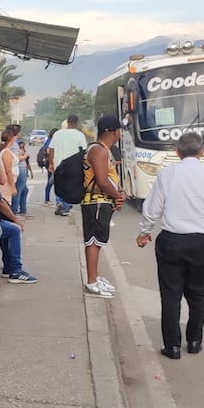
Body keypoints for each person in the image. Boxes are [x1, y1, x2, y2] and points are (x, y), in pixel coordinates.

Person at [135, 132, 204, 359]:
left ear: (177, 152)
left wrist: (144, 233)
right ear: (203, 151)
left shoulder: (167, 174)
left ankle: (172, 346)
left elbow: (152, 208)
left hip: (172, 241)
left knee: (171, 295)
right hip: (203, 243)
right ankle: (195, 340)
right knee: (199, 294)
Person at [0, 145, 37, 283]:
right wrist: (16, 220)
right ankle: (15, 270)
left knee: (5, 227)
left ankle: (9, 267)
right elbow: (0, 203)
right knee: (14, 230)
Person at [81, 115, 126, 298]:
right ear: (114, 131)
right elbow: (102, 181)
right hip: (96, 201)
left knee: (98, 240)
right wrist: (117, 196)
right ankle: (91, 282)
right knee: (93, 241)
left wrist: (119, 192)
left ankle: (95, 277)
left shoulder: (103, 150)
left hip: (100, 201)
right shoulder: (99, 151)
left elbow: (109, 178)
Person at [48, 114, 88, 215]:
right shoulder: (79, 135)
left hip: (58, 164)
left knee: (59, 183)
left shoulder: (57, 134)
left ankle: (59, 203)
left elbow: (51, 149)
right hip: (73, 166)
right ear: (76, 123)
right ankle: (65, 206)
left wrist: (51, 163)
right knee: (69, 185)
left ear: (67, 122)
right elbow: (84, 151)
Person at [40, 126, 59, 206]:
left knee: (51, 181)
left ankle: (48, 199)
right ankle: (48, 200)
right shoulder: (51, 141)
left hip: (50, 162)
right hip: (51, 162)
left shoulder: (49, 140)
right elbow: (48, 150)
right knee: (52, 181)